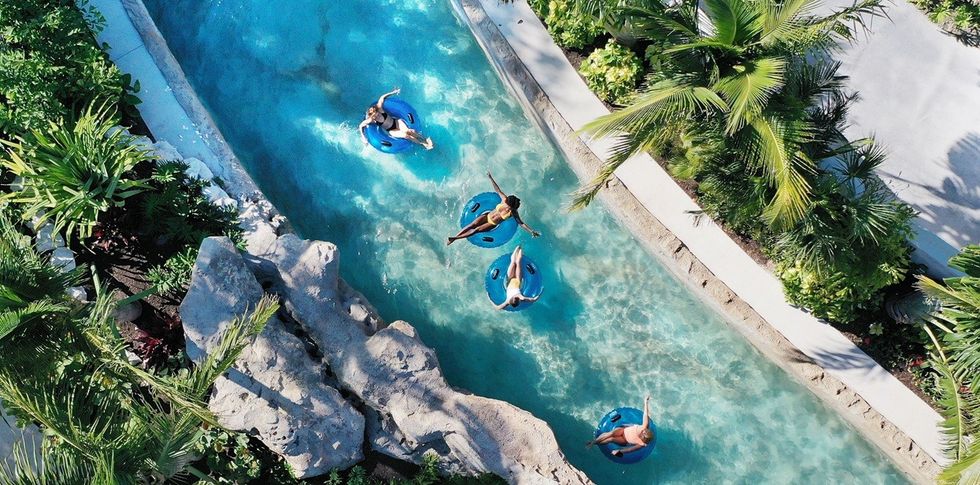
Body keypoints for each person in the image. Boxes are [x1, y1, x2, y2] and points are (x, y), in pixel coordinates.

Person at [447, 171, 540, 245]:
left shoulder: (513, 213)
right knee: (472, 225)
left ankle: (454, 238)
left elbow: (521, 223)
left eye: (508, 204)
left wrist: (531, 231)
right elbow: (498, 190)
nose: (506, 203)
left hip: (492, 223)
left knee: (475, 230)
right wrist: (491, 178)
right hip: (487, 215)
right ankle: (454, 238)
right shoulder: (504, 199)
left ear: (511, 207)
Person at [359, 88, 433, 149]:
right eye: (375, 116)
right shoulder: (371, 120)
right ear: (372, 117)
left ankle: (425, 138)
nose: (377, 116)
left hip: (397, 122)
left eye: (377, 114)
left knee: (410, 131)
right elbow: (361, 126)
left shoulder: (380, 109)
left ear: (377, 111)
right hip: (391, 130)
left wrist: (393, 92)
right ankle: (423, 143)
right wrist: (363, 137)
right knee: (406, 136)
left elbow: (382, 98)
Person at [586, 395, 654, 457]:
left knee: (611, 439)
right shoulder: (645, 426)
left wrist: (619, 451)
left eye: (641, 436)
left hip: (624, 440)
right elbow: (645, 414)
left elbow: (630, 449)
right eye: (643, 432)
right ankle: (593, 442)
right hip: (623, 430)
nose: (641, 432)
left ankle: (594, 443)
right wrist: (646, 401)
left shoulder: (642, 444)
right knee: (611, 433)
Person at [495, 245, 540, 310]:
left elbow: (498, 308)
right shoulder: (519, 298)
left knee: (514, 263)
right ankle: (519, 248)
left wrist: (489, 298)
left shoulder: (511, 300)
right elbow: (533, 299)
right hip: (517, 279)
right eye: (517, 300)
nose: (517, 299)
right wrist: (539, 295)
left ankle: (518, 248)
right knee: (517, 263)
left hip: (510, 279)